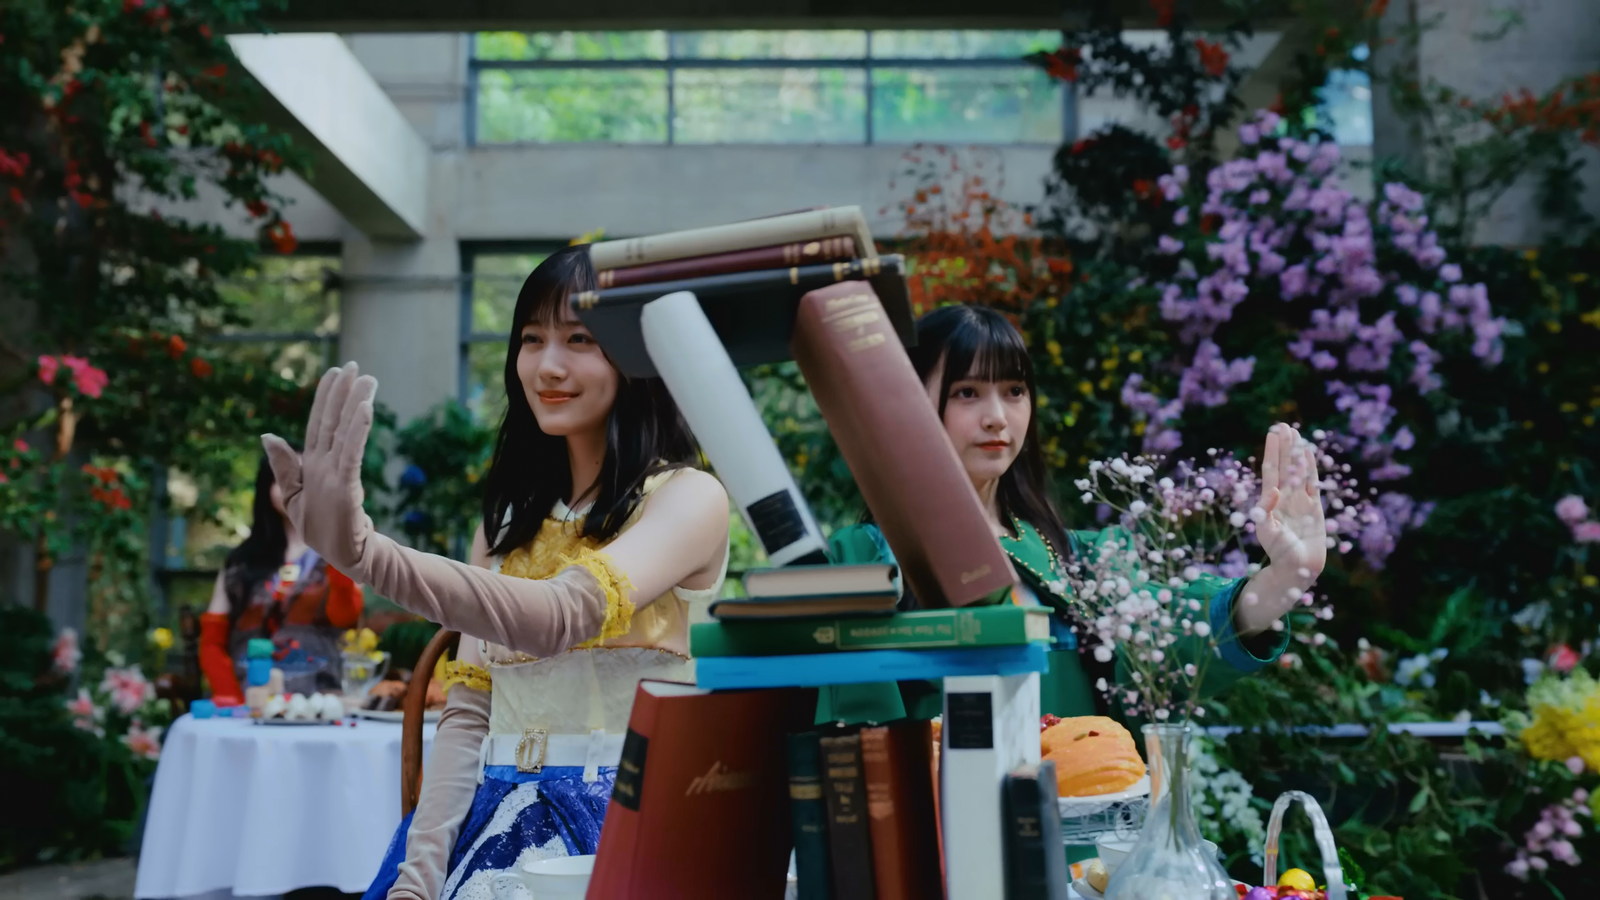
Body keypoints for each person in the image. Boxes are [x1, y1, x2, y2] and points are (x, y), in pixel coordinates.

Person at [260, 245, 731, 900]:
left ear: (639, 357)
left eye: (579, 339)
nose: (547, 365)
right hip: (493, 821)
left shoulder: (687, 498)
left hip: (632, 821)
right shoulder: (508, 524)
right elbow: (469, 716)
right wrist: (416, 882)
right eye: (531, 339)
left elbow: (559, 617)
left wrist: (367, 555)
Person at [822, 304, 1323, 723]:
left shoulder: (1082, 559)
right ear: (910, 407)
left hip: (1084, 812)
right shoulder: (871, 558)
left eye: (1014, 391)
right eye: (966, 393)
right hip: (945, 812)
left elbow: (1169, 642)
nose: (997, 416)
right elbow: (863, 739)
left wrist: (1284, 577)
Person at [198, 450, 364, 701]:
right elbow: (212, 642)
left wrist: (339, 551)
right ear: (266, 487)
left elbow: (346, 617)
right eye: (282, 477)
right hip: (248, 700)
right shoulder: (241, 561)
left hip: (320, 702)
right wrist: (231, 700)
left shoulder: (342, 549)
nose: (293, 486)